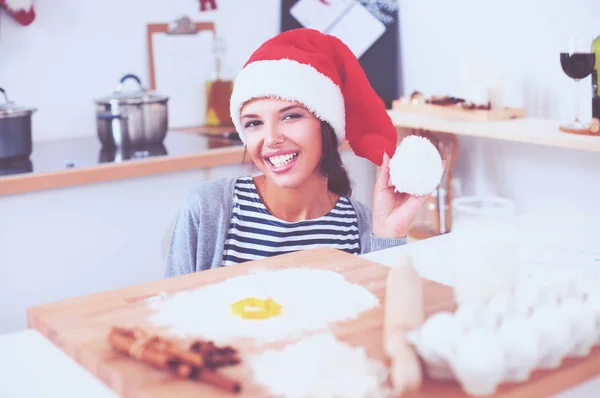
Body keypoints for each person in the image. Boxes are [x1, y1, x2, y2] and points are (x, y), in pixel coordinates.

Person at [164, 28, 434, 277]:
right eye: (254, 123)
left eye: (290, 116)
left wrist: (389, 233)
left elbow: (380, 321)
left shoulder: (361, 225)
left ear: (325, 126)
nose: (271, 138)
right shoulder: (210, 208)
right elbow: (168, 312)